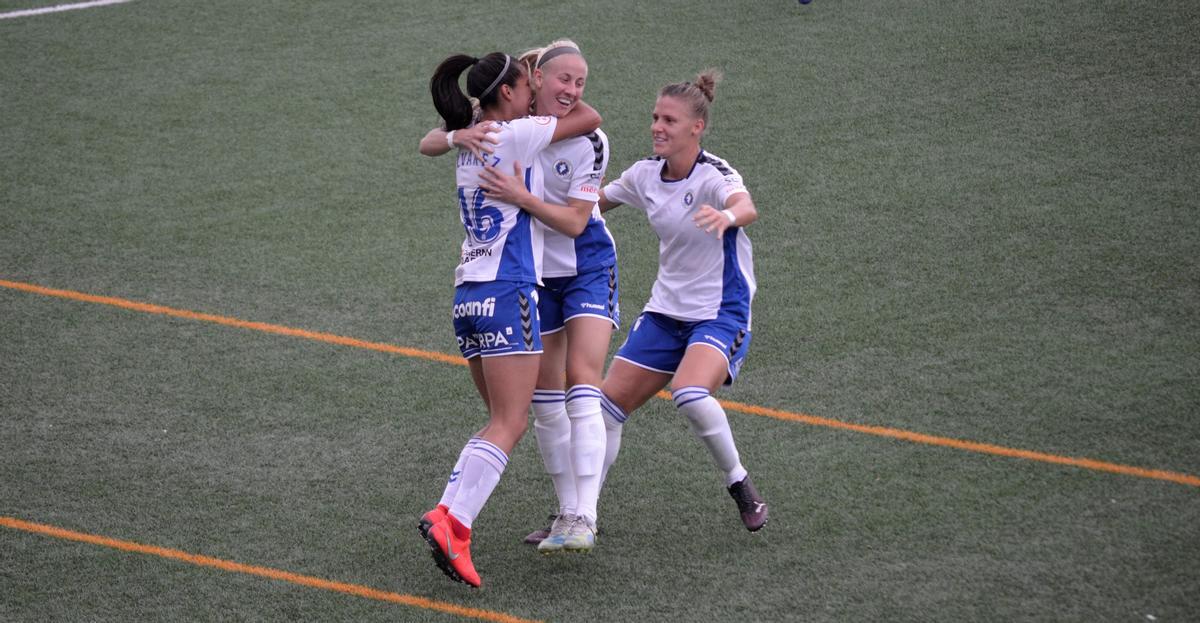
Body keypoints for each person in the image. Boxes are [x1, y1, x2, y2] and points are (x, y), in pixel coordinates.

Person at [422, 40, 617, 555]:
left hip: (467, 295)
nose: (570, 91)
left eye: (580, 81)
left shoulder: (476, 135)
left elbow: (426, 143)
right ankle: (456, 524)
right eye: (544, 82)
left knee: (505, 419)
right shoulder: (520, 133)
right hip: (512, 290)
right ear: (512, 91)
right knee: (513, 421)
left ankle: (447, 512)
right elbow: (589, 117)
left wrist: (454, 133)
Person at [594, 69, 769, 533]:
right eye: (655, 117)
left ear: (697, 127)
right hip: (663, 313)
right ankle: (581, 512)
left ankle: (740, 485)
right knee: (604, 409)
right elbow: (590, 205)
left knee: (690, 394)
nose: (657, 126)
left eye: (669, 120)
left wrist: (728, 215)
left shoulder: (715, 175)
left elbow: (745, 205)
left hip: (719, 312)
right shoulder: (644, 175)